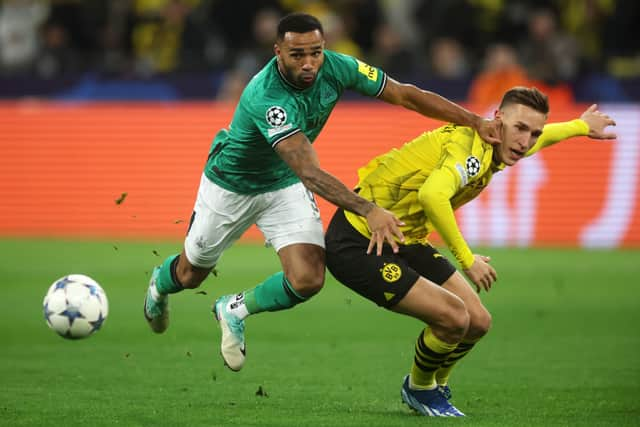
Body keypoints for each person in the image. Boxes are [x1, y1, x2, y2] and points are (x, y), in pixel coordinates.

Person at [143, 12, 501, 372]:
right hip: (231, 186)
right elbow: (311, 173)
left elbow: (405, 95)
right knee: (191, 275)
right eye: (297, 55)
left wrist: (474, 120)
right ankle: (160, 283)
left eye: (315, 52)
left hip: (282, 184)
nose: (309, 63)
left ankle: (233, 308)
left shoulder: (338, 67)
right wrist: (367, 209)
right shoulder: (267, 98)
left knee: (309, 278)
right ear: (278, 52)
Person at [324, 87, 617, 417]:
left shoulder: (503, 143)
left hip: (404, 237)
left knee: (477, 322)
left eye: (532, 132)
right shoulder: (471, 152)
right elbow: (432, 196)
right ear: (497, 121)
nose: (526, 141)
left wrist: (580, 126)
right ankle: (420, 389)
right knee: (453, 317)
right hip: (358, 240)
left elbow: (544, 135)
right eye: (520, 129)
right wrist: (467, 260)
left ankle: (437, 383)